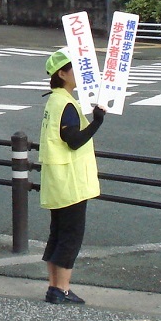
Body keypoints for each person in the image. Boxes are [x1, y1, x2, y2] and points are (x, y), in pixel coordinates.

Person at [39, 48, 107, 304]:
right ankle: (62, 289)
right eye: (74, 69)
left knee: (57, 232)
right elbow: (74, 140)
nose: (79, 74)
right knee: (71, 235)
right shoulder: (66, 103)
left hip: (56, 178)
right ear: (61, 73)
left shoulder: (54, 100)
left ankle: (54, 287)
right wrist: (97, 122)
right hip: (70, 181)